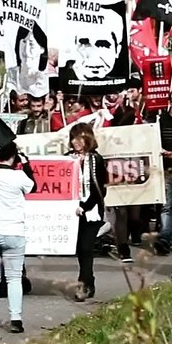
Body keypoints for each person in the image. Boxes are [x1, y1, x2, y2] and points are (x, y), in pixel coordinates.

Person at [0, 141, 36, 333]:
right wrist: (27, 164)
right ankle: (15, 319)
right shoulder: (19, 176)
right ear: (15, 157)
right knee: (13, 278)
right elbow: (33, 187)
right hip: (13, 231)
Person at [67, 122, 107, 301]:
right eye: (74, 138)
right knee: (79, 249)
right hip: (73, 210)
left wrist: (85, 206)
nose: (76, 142)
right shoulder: (68, 158)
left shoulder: (96, 159)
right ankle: (89, 281)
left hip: (91, 210)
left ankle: (84, 284)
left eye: (80, 138)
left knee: (86, 247)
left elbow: (100, 190)